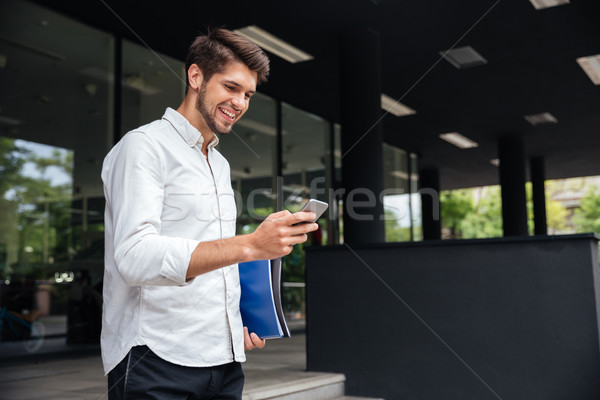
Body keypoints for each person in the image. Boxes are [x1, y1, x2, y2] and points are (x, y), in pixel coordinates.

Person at [101, 28, 318, 399]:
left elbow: (216, 256)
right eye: (231, 87)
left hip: (223, 362)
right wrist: (251, 245)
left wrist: (239, 319)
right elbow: (135, 258)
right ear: (196, 76)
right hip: (155, 360)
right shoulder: (144, 147)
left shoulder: (218, 163)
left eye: (248, 94)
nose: (240, 102)